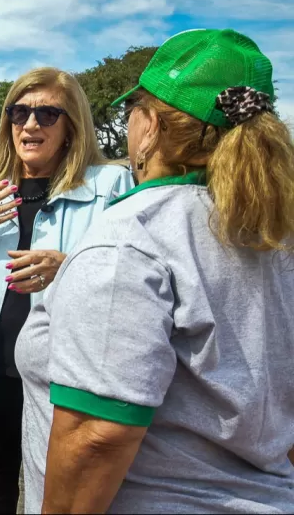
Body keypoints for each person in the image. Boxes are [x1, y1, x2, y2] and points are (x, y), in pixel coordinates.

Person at [17, 29, 294, 513]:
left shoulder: (134, 236)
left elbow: (97, 436)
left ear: (150, 127)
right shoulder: (278, 234)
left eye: (132, 113)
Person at [0, 67, 133, 513]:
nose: (30, 124)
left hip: (66, 384)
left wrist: (69, 267)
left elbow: (130, 285)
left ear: (72, 125)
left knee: (59, 504)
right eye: (19, 112)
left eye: (47, 113)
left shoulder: (110, 186)